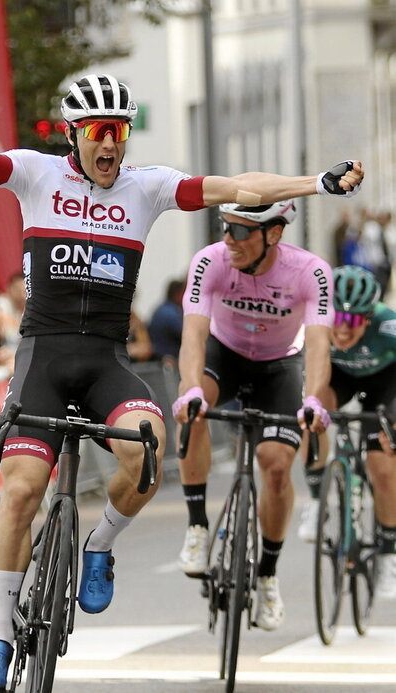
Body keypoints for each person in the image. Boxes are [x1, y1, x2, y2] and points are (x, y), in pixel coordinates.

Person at [0, 74, 363, 690]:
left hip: (106, 362)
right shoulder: (36, 174)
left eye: (119, 131)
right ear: (75, 135)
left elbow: (237, 187)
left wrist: (317, 183)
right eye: (99, 131)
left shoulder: (147, 188)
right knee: (21, 493)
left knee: (147, 449)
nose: (111, 143)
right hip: (43, 355)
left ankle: (99, 545)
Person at [171, 199, 340, 632]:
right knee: (192, 410)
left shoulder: (310, 271)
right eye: (224, 227)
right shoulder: (210, 261)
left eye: (241, 231)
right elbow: (193, 335)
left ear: (273, 234)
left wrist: (316, 398)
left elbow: (319, 345)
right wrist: (191, 388)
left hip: (280, 364)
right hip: (223, 354)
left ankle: (267, 572)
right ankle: (196, 527)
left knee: (277, 467)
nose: (229, 239)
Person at [297, 266, 396, 600]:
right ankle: (315, 499)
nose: (341, 329)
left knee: (382, 466)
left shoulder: (388, 325)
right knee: (312, 413)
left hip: (384, 385)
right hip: (338, 376)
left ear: (368, 318)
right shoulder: (315, 319)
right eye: (337, 317)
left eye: (352, 321)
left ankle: (388, 550)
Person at [147, 277, 186, 366]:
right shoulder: (170, 314)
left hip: (160, 359)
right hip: (168, 361)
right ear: (178, 294)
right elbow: (187, 335)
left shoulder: (161, 308)